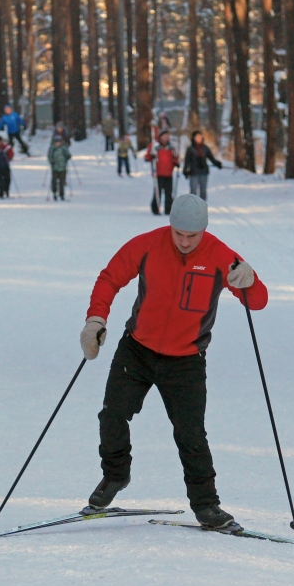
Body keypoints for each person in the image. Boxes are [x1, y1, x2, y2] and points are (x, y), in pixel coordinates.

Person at [79, 193, 268, 529]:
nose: (183, 241)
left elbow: (258, 302)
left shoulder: (222, 256)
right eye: (177, 232)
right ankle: (115, 475)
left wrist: (250, 281)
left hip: (186, 360)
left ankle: (207, 506)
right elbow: (110, 278)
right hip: (137, 349)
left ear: (204, 230)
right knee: (112, 415)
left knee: (191, 435)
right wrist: (96, 320)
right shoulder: (148, 245)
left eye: (191, 235)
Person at [182, 130, 223, 200]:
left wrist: (217, 164)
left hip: (204, 172)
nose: (199, 138)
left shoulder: (205, 148)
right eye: (197, 137)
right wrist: (185, 170)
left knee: (203, 191)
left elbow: (211, 158)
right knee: (193, 191)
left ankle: (202, 207)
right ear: (194, 138)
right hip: (193, 173)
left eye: (200, 137)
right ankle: (193, 207)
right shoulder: (190, 149)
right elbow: (187, 161)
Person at [146, 130, 178, 215]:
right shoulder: (155, 146)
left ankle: (168, 209)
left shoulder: (171, 147)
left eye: (167, 136)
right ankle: (155, 208)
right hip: (158, 174)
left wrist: (176, 163)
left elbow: (175, 157)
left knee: (168, 193)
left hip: (168, 173)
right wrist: (150, 157)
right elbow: (148, 157)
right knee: (157, 191)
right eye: (164, 136)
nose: (165, 138)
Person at [48, 134, 71, 201]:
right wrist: (51, 161)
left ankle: (62, 195)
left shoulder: (64, 148)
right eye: (56, 141)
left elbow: (68, 154)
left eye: (59, 141)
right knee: (54, 181)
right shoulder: (52, 148)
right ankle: (54, 193)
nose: (58, 143)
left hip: (63, 167)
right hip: (55, 168)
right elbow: (49, 156)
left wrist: (68, 157)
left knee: (62, 182)